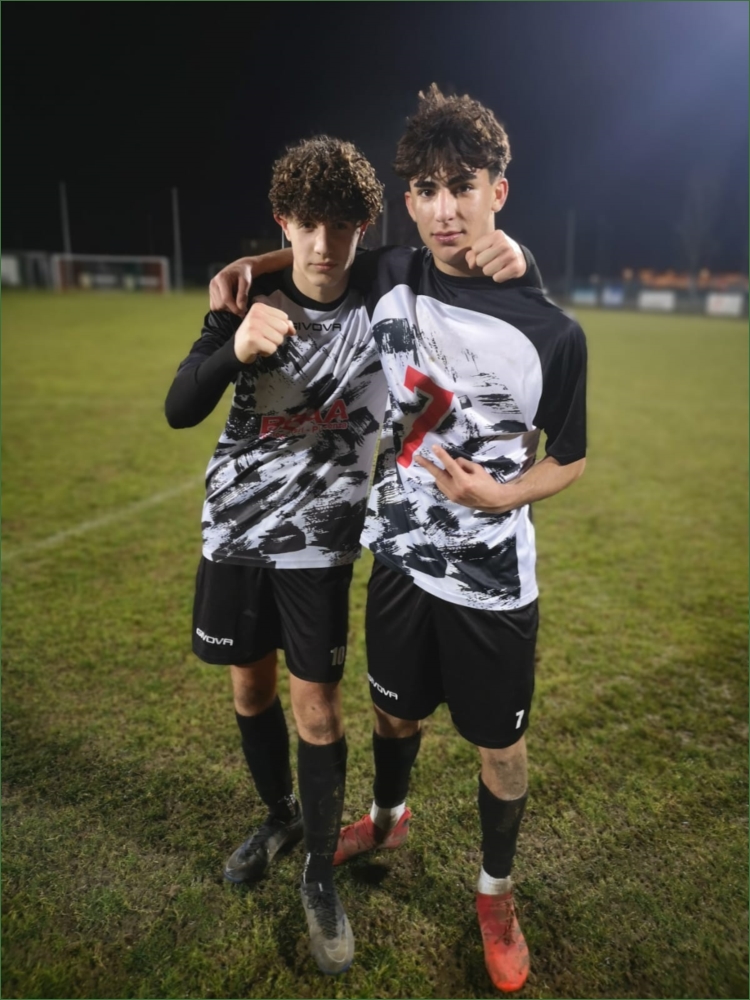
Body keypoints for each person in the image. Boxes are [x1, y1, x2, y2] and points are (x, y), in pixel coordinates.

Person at [211, 85, 587, 994]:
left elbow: (571, 459)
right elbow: (325, 252)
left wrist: (503, 493)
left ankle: (496, 894)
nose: (445, 207)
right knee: (393, 715)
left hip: (491, 582)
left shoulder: (553, 332)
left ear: (499, 191)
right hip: (398, 560)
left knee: (500, 749)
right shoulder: (394, 273)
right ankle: (387, 817)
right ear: (409, 201)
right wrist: (253, 261)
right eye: (426, 189)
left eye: (463, 186)